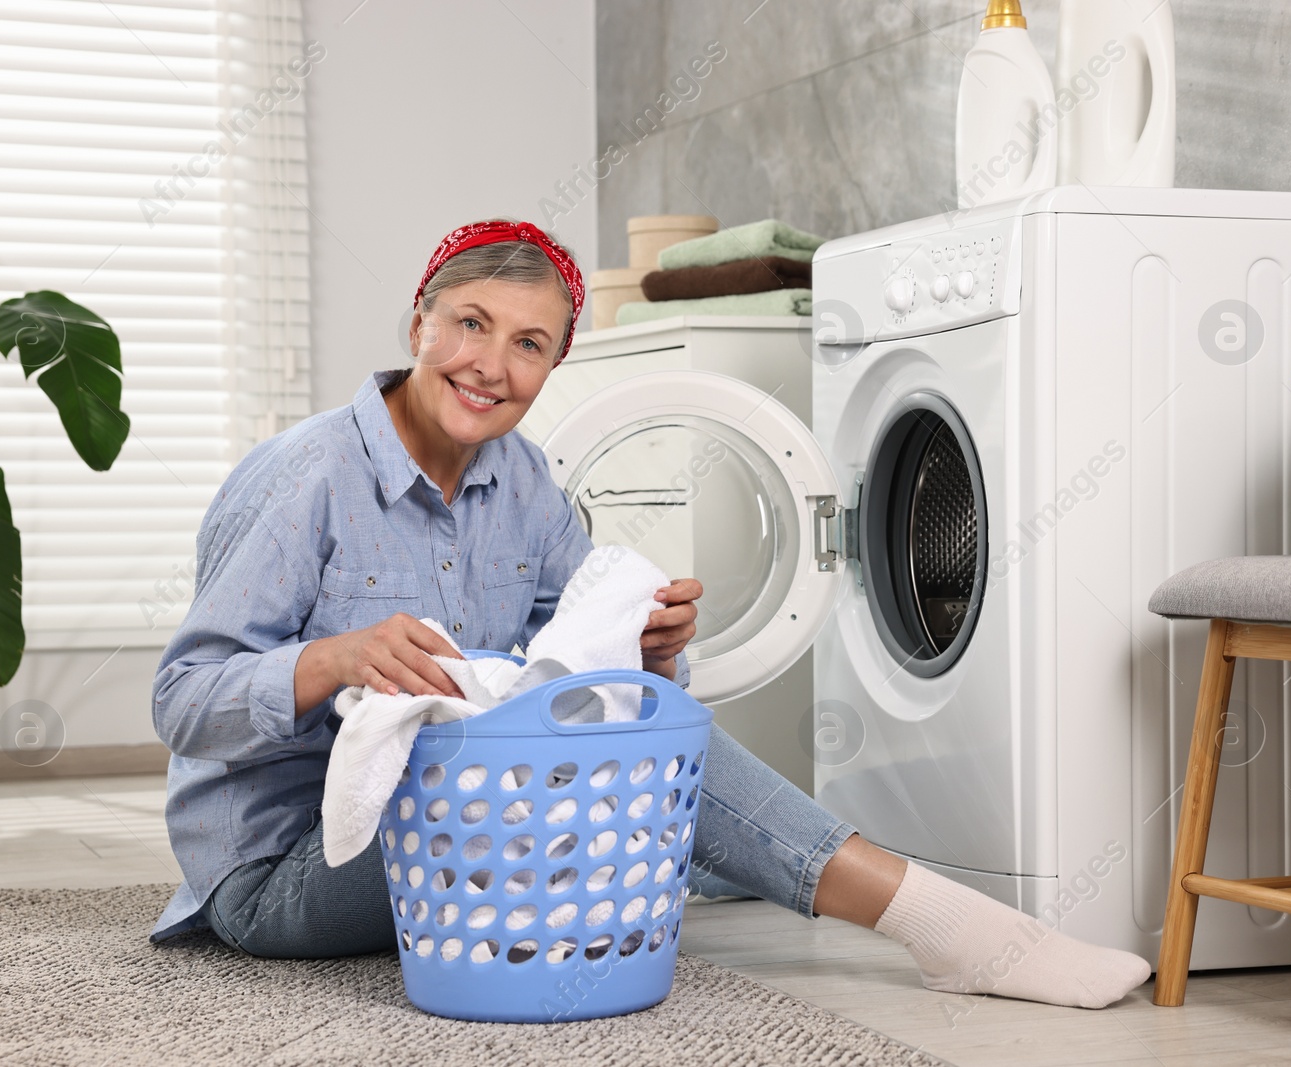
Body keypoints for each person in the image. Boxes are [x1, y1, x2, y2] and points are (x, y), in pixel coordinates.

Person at [149, 219, 1151, 1009]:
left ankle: (916, 914)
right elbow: (181, 702)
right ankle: (946, 925)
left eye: (529, 343)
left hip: (458, 829)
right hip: (285, 869)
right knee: (574, 789)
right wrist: (334, 657)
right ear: (419, 321)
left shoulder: (527, 487)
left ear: (554, 365)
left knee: (645, 729)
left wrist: (650, 651)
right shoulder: (307, 477)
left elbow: (575, 689)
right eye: (469, 323)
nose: (490, 362)